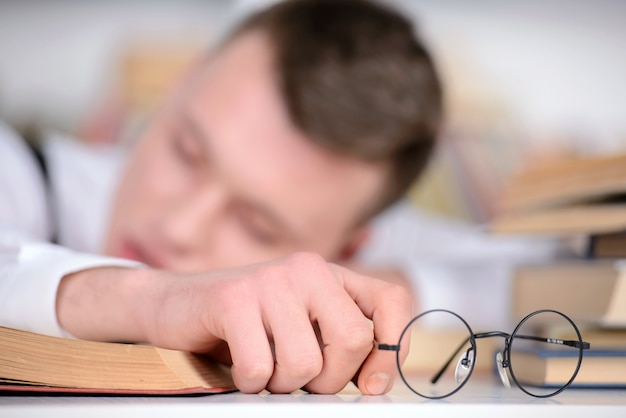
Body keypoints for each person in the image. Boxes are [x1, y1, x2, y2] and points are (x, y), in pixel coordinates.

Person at [0, 0, 442, 395]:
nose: (179, 227)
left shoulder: (382, 254)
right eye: (187, 152)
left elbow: (498, 273)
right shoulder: (21, 170)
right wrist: (156, 299)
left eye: (256, 226)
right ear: (180, 84)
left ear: (343, 252)